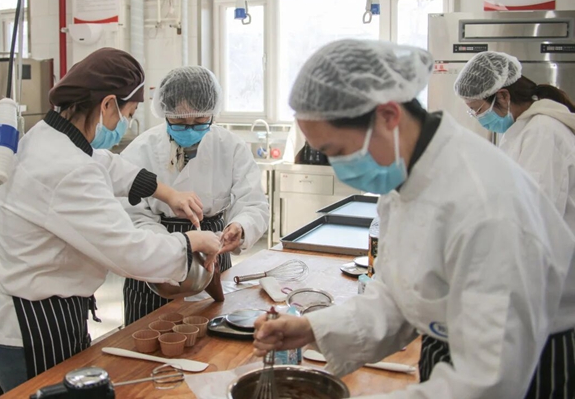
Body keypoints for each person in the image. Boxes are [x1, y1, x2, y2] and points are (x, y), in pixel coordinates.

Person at [252, 40, 575, 398]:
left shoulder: (485, 204)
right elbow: (399, 295)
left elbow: (489, 383)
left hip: (527, 372)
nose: (340, 169)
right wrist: (313, 328)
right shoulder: (406, 174)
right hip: (447, 348)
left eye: (338, 151)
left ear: (388, 116)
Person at [0, 48, 222, 392]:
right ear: (108, 104)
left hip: (39, 311)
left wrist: (167, 193)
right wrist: (191, 241)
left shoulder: (50, 136)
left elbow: (105, 164)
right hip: (35, 327)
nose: (126, 123)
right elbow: (129, 252)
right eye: (129, 113)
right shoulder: (66, 169)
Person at [120, 66, 269, 325]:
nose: (190, 129)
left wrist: (240, 226)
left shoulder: (230, 147)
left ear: (212, 112)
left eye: (199, 121)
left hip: (214, 246)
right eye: (180, 122)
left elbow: (253, 202)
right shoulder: (140, 150)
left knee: (213, 333)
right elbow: (131, 215)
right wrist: (176, 247)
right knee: (146, 333)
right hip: (154, 251)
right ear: (165, 112)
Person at [455, 51, 575, 243]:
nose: (477, 117)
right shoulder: (521, 129)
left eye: (477, 109)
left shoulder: (542, 132)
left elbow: (534, 211)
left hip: (551, 253)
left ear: (503, 96)